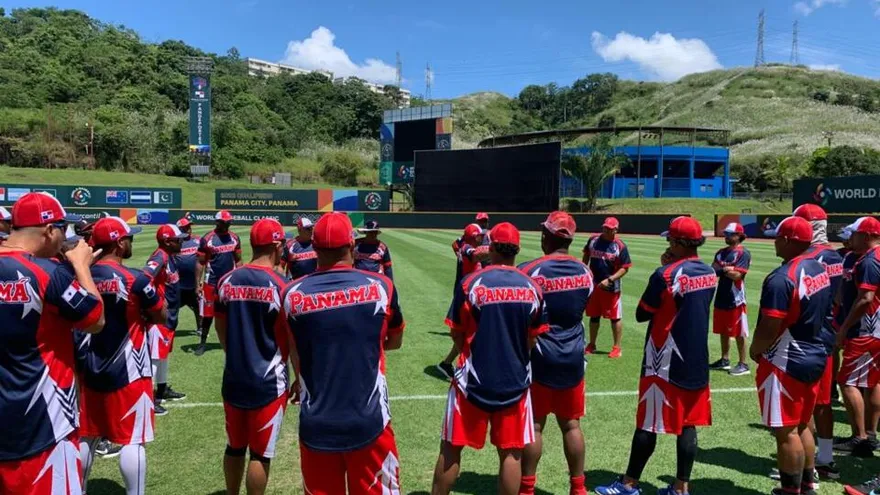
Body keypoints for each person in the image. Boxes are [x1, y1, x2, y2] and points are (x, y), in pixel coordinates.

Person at [283, 212, 406, 494]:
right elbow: (395, 341)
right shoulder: (383, 287)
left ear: (313, 248)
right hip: (371, 421)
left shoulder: (291, 294)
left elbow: (295, 351)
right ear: (352, 245)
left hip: (316, 423)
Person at [595, 216, 715, 495]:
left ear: (679, 242)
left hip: (664, 358)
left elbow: (641, 313)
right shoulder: (708, 271)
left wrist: (665, 267)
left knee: (648, 422)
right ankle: (681, 487)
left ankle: (628, 484)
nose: (668, 244)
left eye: (670, 240)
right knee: (687, 424)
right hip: (696, 356)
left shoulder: (666, 275)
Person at [432, 223, 549, 495]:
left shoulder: (471, 282)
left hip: (470, 381)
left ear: (491, 248)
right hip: (515, 382)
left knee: (451, 449)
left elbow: (456, 333)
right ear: (518, 250)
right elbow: (533, 339)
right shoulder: (532, 286)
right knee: (511, 453)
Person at [0, 192, 104, 494]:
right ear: (49, 230)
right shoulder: (48, 273)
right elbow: (95, 320)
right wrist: (83, 267)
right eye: (62, 228)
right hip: (45, 425)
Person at [79, 216, 166, 495]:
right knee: (133, 439)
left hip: (88, 367)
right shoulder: (136, 280)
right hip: (130, 370)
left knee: (87, 435)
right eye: (129, 237)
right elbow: (161, 314)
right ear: (119, 243)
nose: (132, 241)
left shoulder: (81, 275)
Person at [752, 216, 833, 495]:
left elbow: (770, 325)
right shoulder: (818, 268)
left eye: (777, 237)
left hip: (786, 359)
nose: (774, 241)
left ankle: (790, 490)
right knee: (802, 424)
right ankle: (808, 484)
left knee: (785, 430)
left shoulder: (780, 278)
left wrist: (756, 350)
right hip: (815, 353)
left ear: (787, 241)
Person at [517, 212, 593, 495]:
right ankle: (578, 487)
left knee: (534, 425)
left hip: (539, 356)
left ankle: (526, 488)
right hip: (573, 355)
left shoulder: (530, 270)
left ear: (548, 236)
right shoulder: (585, 271)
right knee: (571, 424)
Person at [215, 219, 291, 495]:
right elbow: (290, 338)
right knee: (260, 455)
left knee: (234, 446)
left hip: (234, 376)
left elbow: (220, 327)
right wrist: (301, 376)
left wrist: (234, 353)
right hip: (269, 381)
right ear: (275, 245)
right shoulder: (282, 285)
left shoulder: (227, 280)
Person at [789, 205, 845, 480]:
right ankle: (824, 458)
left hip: (807, 339)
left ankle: (806, 467)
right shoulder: (834, 255)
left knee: (805, 405)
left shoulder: (808, 258)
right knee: (823, 403)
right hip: (827, 333)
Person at [834, 216, 880, 459]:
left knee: (848, 382)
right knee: (871, 382)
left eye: (854, 234)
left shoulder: (870, 261)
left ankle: (860, 438)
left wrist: (843, 328)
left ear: (867, 235)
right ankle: (869, 435)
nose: (849, 238)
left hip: (864, 330)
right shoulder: (863, 258)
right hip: (873, 329)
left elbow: (866, 299)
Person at [144, 224, 189, 416]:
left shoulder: (169, 257)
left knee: (162, 356)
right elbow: (144, 279)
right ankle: (149, 400)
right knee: (154, 359)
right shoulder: (160, 256)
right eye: (178, 239)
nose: (181, 242)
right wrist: (155, 305)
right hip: (159, 319)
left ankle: (161, 390)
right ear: (167, 241)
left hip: (169, 317)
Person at [436, 223, 487, 379]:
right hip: (467, 294)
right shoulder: (466, 248)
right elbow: (476, 255)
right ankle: (465, 364)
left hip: (470, 292)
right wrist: (496, 250)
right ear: (473, 237)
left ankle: (447, 363)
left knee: (468, 332)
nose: (482, 238)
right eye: (479, 236)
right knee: (467, 332)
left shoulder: (463, 245)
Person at [583, 216, 632, 358]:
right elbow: (586, 254)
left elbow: (625, 268)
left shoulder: (620, 246)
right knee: (594, 315)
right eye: (604, 228)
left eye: (609, 229)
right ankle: (592, 344)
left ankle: (617, 347)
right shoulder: (593, 240)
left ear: (616, 230)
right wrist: (585, 270)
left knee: (615, 317)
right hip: (594, 285)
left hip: (611, 287)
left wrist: (610, 279)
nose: (606, 230)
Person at [195, 210, 242, 356]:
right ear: (218, 222)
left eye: (229, 222)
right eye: (225, 222)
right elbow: (200, 263)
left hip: (229, 283)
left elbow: (238, 260)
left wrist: (240, 279)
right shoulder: (207, 239)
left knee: (232, 313)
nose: (228, 225)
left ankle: (234, 342)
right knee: (208, 315)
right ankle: (203, 343)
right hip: (212, 282)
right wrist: (198, 284)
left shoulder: (234, 238)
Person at [709, 222, 752, 376]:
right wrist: (727, 269)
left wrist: (724, 270)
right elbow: (713, 270)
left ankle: (743, 363)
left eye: (729, 234)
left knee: (739, 331)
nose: (726, 236)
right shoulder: (721, 252)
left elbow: (737, 275)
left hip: (736, 298)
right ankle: (724, 360)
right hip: (721, 294)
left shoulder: (743, 253)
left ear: (739, 236)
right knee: (722, 329)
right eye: (726, 234)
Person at [175, 214, 202, 333]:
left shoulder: (198, 240)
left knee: (198, 307)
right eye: (186, 227)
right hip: (179, 284)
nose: (189, 229)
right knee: (172, 307)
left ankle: (200, 328)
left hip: (194, 283)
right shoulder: (176, 243)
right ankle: (168, 327)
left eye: (189, 226)